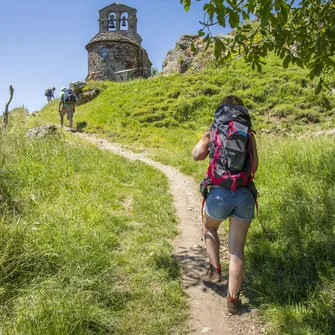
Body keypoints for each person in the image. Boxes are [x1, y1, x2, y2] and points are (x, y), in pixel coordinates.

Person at [192, 95, 258, 314]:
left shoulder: (214, 131)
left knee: (209, 226)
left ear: (220, 110)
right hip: (244, 195)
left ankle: (214, 271)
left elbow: (196, 156)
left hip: (219, 193)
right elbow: (254, 166)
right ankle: (233, 300)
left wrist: (205, 139)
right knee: (237, 249)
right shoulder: (247, 133)